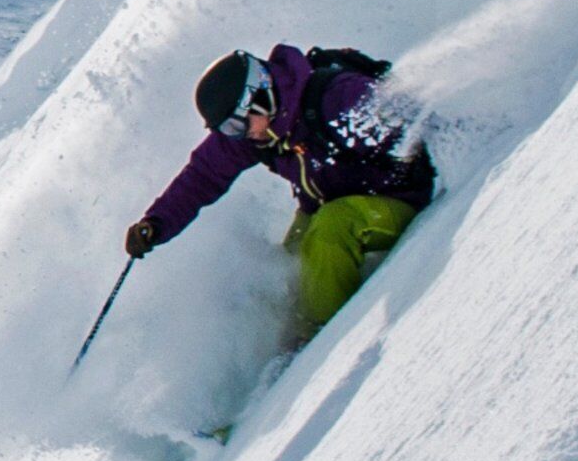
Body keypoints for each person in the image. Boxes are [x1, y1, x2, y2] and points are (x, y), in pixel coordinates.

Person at [122, 43, 434, 337]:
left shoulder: (337, 96)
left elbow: (411, 124)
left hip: (396, 200)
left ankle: (322, 340)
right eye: (227, 130)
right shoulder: (259, 133)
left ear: (258, 97)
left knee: (331, 228)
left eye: (235, 125)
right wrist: (157, 222)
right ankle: (287, 340)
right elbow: (202, 176)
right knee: (292, 263)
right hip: (329, 205)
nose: (236, 136)